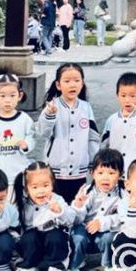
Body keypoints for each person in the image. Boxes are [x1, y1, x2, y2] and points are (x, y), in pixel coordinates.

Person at [39, 63, 101, 203]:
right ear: (58, 85)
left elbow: (92, 137)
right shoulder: (52, 106)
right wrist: (50, 115)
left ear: (82, 84)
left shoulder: (86, 107)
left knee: (78, 206)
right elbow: (43, 132)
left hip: (80, 171)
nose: (72, 85)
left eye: (76, 81)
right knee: (56, 207)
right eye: (67, 81)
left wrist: (95, 163)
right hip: (56, 171)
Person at [12, 161, 76, 271]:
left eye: (46, 186)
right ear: (27, 188)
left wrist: (59, 211)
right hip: (34, 244)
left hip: (54, 243)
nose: (41, 191)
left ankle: (57, 266)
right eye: (35, 187)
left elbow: (71, 219)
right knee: (29, 237)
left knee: (55, 236)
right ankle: (29, 265)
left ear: (52, 184)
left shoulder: (57, 199)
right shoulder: (23, 203)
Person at [68, 149, 124, 271]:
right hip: (85, 228)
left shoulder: (122, 195)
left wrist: (102, 223)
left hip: (105, 230)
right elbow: (76, 220)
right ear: (92, 173)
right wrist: (78, 205)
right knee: (78, 237)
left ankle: (108, 260)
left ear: (120, 174)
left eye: (111, 173)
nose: (105, 177)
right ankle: (77, 260)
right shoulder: (87, 192)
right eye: (100, 173)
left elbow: (123, 218)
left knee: (109, 237)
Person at [0, 75, 35, 188]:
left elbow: (32, 137)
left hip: (18, 172)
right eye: (2, 96)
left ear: (20, 96)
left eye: (12, 95)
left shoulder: (24, 119)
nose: (7, 100)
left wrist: (26, 145)